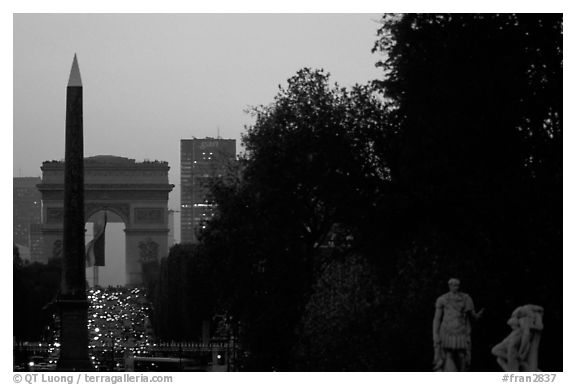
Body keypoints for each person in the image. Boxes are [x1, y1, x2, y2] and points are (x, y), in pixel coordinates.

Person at [433, 278, 484, 371]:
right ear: (450, 286)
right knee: (448, 354)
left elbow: (472, 315)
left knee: (462, 355)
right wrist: (435, 334)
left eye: (458, 285)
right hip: (447, 329)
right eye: (454, 285)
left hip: (461, 329)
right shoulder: (442, 299)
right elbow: (437, 318)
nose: (457, 287)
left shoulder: (466, 298)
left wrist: (478, 315)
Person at [491, 304, 543, 371]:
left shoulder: (525, 321)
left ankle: (518, 365)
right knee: (498, 357)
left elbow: (526, 338)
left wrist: (521, 352)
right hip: (514, 345)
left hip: (516, 346)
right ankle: (518, 363)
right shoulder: (522, 317)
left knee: (500, 356)